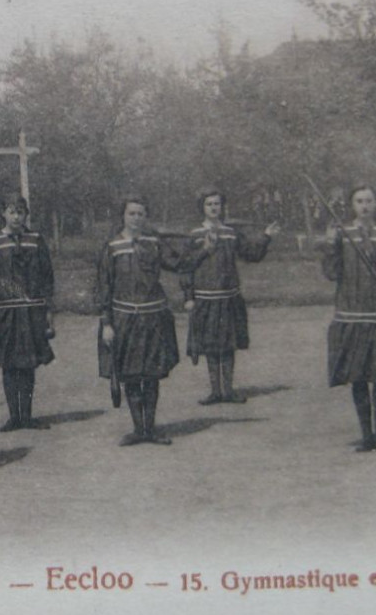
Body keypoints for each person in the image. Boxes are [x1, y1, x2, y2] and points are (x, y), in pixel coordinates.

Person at [96, 195, 207, 446]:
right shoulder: (112, 246)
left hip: (154, 318)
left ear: (147, 217)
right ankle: (138, 430)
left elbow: (180, 264)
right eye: (131, 214)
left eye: (141, 214)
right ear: (123, 216)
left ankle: (151, 428)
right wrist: (106, 323)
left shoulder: (154, 243)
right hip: (125, 319)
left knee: (152, 374)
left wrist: (205, 250)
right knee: (132, 375)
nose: (136, 218)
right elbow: (103, 286)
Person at [319, 185, 376, 453]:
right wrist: (330, 245)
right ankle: (366, 436)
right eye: (359, 201)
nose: (365, 206)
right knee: (358, 376)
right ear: (352, 205)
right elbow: (331, 273)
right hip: (353, 314)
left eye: (369, 200)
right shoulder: (342, 233)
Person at [181, 190, 279, 405]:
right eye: (209, 204)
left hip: (228, 297)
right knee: (210, 345)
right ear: (202, 207)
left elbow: (251, 254)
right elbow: (187, 266)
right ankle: (215, 391)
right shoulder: (195, 234)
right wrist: (188, 295)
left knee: (228, 344)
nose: (214, 208)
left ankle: (228, 391)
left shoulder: (231, 233)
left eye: (217, 204)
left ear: (222, 207)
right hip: (205, 297)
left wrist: (266, 236)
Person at [0, 194, 55, 431]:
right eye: (12, 211)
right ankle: (14, 416)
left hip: (31, 311)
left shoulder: (36, 240)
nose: (16, 216)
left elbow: (47, 276)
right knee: (9, 363)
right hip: (5, 313)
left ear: (26, 214)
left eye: (20, 211)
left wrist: (48, 309)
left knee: (29, 363)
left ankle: (28, 416)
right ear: (3, 214)